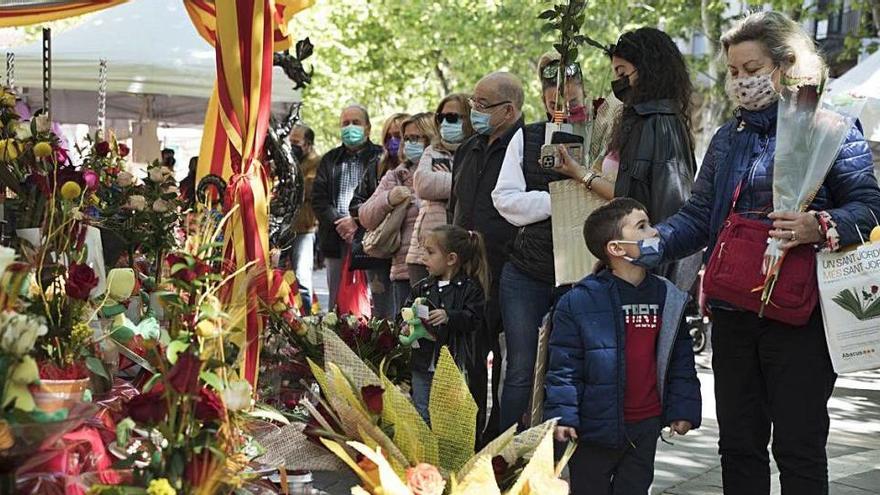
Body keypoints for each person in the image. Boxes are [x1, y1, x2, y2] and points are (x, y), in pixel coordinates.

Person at [633, 11, 880, 494]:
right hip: (732, 309)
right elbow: (700, 216)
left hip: (801, 317)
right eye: (734, 71)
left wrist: (819, 225)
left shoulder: (830, 129)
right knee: (739, 443)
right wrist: (650, 244)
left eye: (752, 69)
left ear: (787, 66)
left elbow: (869, 207)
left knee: (798, 444)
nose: (742, 82)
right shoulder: (729, 137)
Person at [545, 198, 701, 495]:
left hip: (645, 425)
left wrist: (682, 408)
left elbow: (680, 358)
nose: (654, 232)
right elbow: (564, 366)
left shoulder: (669, 297)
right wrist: (564, 415)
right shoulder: (578, 301)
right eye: (642, 227)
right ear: (615, 249)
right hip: (594, 427)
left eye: (650, 224)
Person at [491, 52, 589, 430]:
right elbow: (506, 199)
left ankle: (560, 457)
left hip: (581, 272)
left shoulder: (601, 133)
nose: (560, 99)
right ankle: (507, 455)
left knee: (569, 368)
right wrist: (557, 203)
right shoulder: (527, 137)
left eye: (568, 91)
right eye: (551, 92)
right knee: (520, 368)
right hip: (527, 271)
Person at [449, 71, 524, 440]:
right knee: (470, 356)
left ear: (508, 110)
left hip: (512, 268)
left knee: (512, 364)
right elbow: (456, 207)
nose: (473, 111)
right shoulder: (468, 147)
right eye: (472, 103)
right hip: (468, 271)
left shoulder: (527, 146)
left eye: (481, 105)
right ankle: (471, 434)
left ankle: (504, 437)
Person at [401, 224, 489, 423]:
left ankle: (448, 451)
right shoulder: (422, 287)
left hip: (454, 365)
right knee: (421, 412)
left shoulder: (470, 288)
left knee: (449, 418)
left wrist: (450, 316)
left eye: (430, 252)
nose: (423, 257)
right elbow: (406, 311)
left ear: (451, 259)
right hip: (422, 363)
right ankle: (423, 451)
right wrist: (405, 325)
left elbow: (474, 319)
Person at [358, 113, 436, 315]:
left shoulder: (447, 169)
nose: (409, 143)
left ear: (431, 137)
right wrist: (389, 199)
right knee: (407, 336)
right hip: (403, 271)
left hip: (439, 271)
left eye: (416, 138)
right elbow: (365, 215)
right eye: (407, 138)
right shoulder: (397, 175)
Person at [312, 104, 382, 309]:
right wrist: (340, 223)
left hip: (371, 239)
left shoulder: (380, 157)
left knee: (373, 298)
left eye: (356, 123)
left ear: (368, 128)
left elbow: (381, 197)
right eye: (345, 123)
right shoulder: (330, 160)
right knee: (337, 302)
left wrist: (357, 222)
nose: (350, 127)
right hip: (335, 239)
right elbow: (318, 199)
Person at [407, 94, 474, 284]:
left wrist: (444, 181)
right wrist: (457, 179)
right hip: (424, 250)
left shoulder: (477, 150)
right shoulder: (432, 150)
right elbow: (422, 185)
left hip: (461, 248)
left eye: (451, 117)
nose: (445, 122)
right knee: (420, 310)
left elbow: (474, 187)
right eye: (440, 117)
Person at [350, 112, 410, 319]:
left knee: (405, 313)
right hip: (380, 249)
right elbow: (356, 205)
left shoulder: (420, 168)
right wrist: (383, 206)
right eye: (389, 136)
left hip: (407, 250)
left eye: (399, 136)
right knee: (383, 312)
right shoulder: (377, 166)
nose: (394, 142)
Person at [289, 123, 321, 313]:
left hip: (305, 228)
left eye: (296, 142)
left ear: (308, 144)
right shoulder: (292, 162)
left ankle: (307, 320)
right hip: (288, 228)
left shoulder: (316, 163)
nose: (292, 145)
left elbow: (309, 191)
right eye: (291, 141)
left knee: (302, 278)